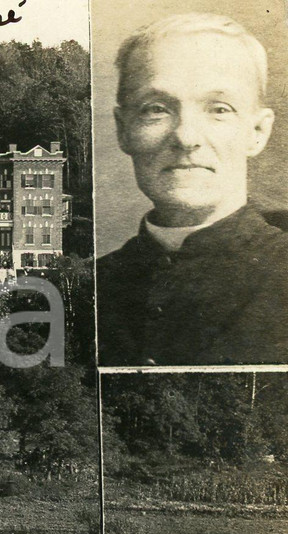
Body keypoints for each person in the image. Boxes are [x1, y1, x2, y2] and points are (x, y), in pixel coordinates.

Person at [97, 13, 287, 365]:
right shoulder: (89, 288)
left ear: (257, 132)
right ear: (123, 130)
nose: (186, 137)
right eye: (156, 109)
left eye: (218, 109)